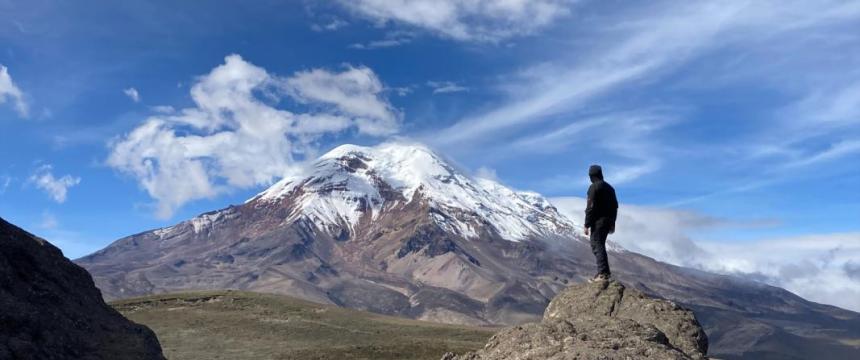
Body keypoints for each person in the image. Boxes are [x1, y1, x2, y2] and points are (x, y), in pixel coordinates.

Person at [583, 164, 618, 282]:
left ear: (591, 176)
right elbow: (615, 207)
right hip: (608, 221)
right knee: (600, 244)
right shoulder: (610, 188)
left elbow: (590, 206)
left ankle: (603, 274)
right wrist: (613, 222)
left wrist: (586, 224)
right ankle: (604, 273)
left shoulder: (594, 187)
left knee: (597, 244)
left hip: (598, 221)